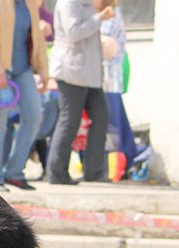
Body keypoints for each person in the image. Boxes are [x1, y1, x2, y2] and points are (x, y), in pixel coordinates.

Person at [0, 0, 49, 192]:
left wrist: (44, 70)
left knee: (34, 115)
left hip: (22, 68)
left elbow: (37, 36)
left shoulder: (29, 2)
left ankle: (14, 172)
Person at [45, 0, 115, 185]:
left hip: (90, 74)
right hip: (71, 72)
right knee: (70, 121)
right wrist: (99, 18)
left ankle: (94, 170)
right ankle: (57, 172)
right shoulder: (69, 3)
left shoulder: (89, 3)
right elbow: (73, 32)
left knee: (101, 115)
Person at [101, 2, 138, 171]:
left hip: (108, 78)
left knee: (112, 125)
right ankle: (128, 159)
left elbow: (105, 45)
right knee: (118, 122)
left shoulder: (109, 15)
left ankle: (116, 167)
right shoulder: (114, 13)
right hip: (111, 78)